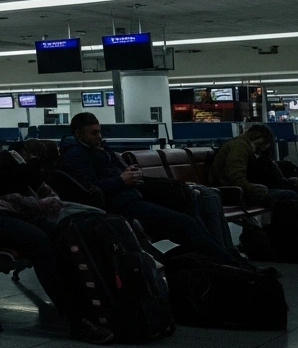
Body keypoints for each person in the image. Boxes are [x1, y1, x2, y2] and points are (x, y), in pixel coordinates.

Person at [63, 113, 246, 266]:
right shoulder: (76, 155)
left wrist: (127, 174)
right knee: (187, 223)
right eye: (94, 133)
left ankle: (222, 258)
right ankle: (228, 263)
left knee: (191, 209)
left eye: (99, 132)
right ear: (79, 134)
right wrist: (121, 180)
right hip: (121, 204)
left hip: (134, 195)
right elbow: (90, 189)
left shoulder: (99, 149)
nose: (99, 137)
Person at [0, 148, 112, 345]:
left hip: (23, 215)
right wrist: (33, 169)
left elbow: (43, 193)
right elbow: (2, 187)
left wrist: (39, 174)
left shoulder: (34, 173)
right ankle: (76, 320)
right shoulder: (6, 159)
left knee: (65, 237)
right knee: (40, 242)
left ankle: (91, 306)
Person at [209, 124, 298, 208]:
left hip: (235, 191)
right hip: (233, 193)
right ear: (259, 138)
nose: (265, 147)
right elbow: (235, 177)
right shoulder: (240, 146)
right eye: (266, 143)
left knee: (287, 195)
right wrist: (256, 189)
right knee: (290, 197)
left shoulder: (242, 146)